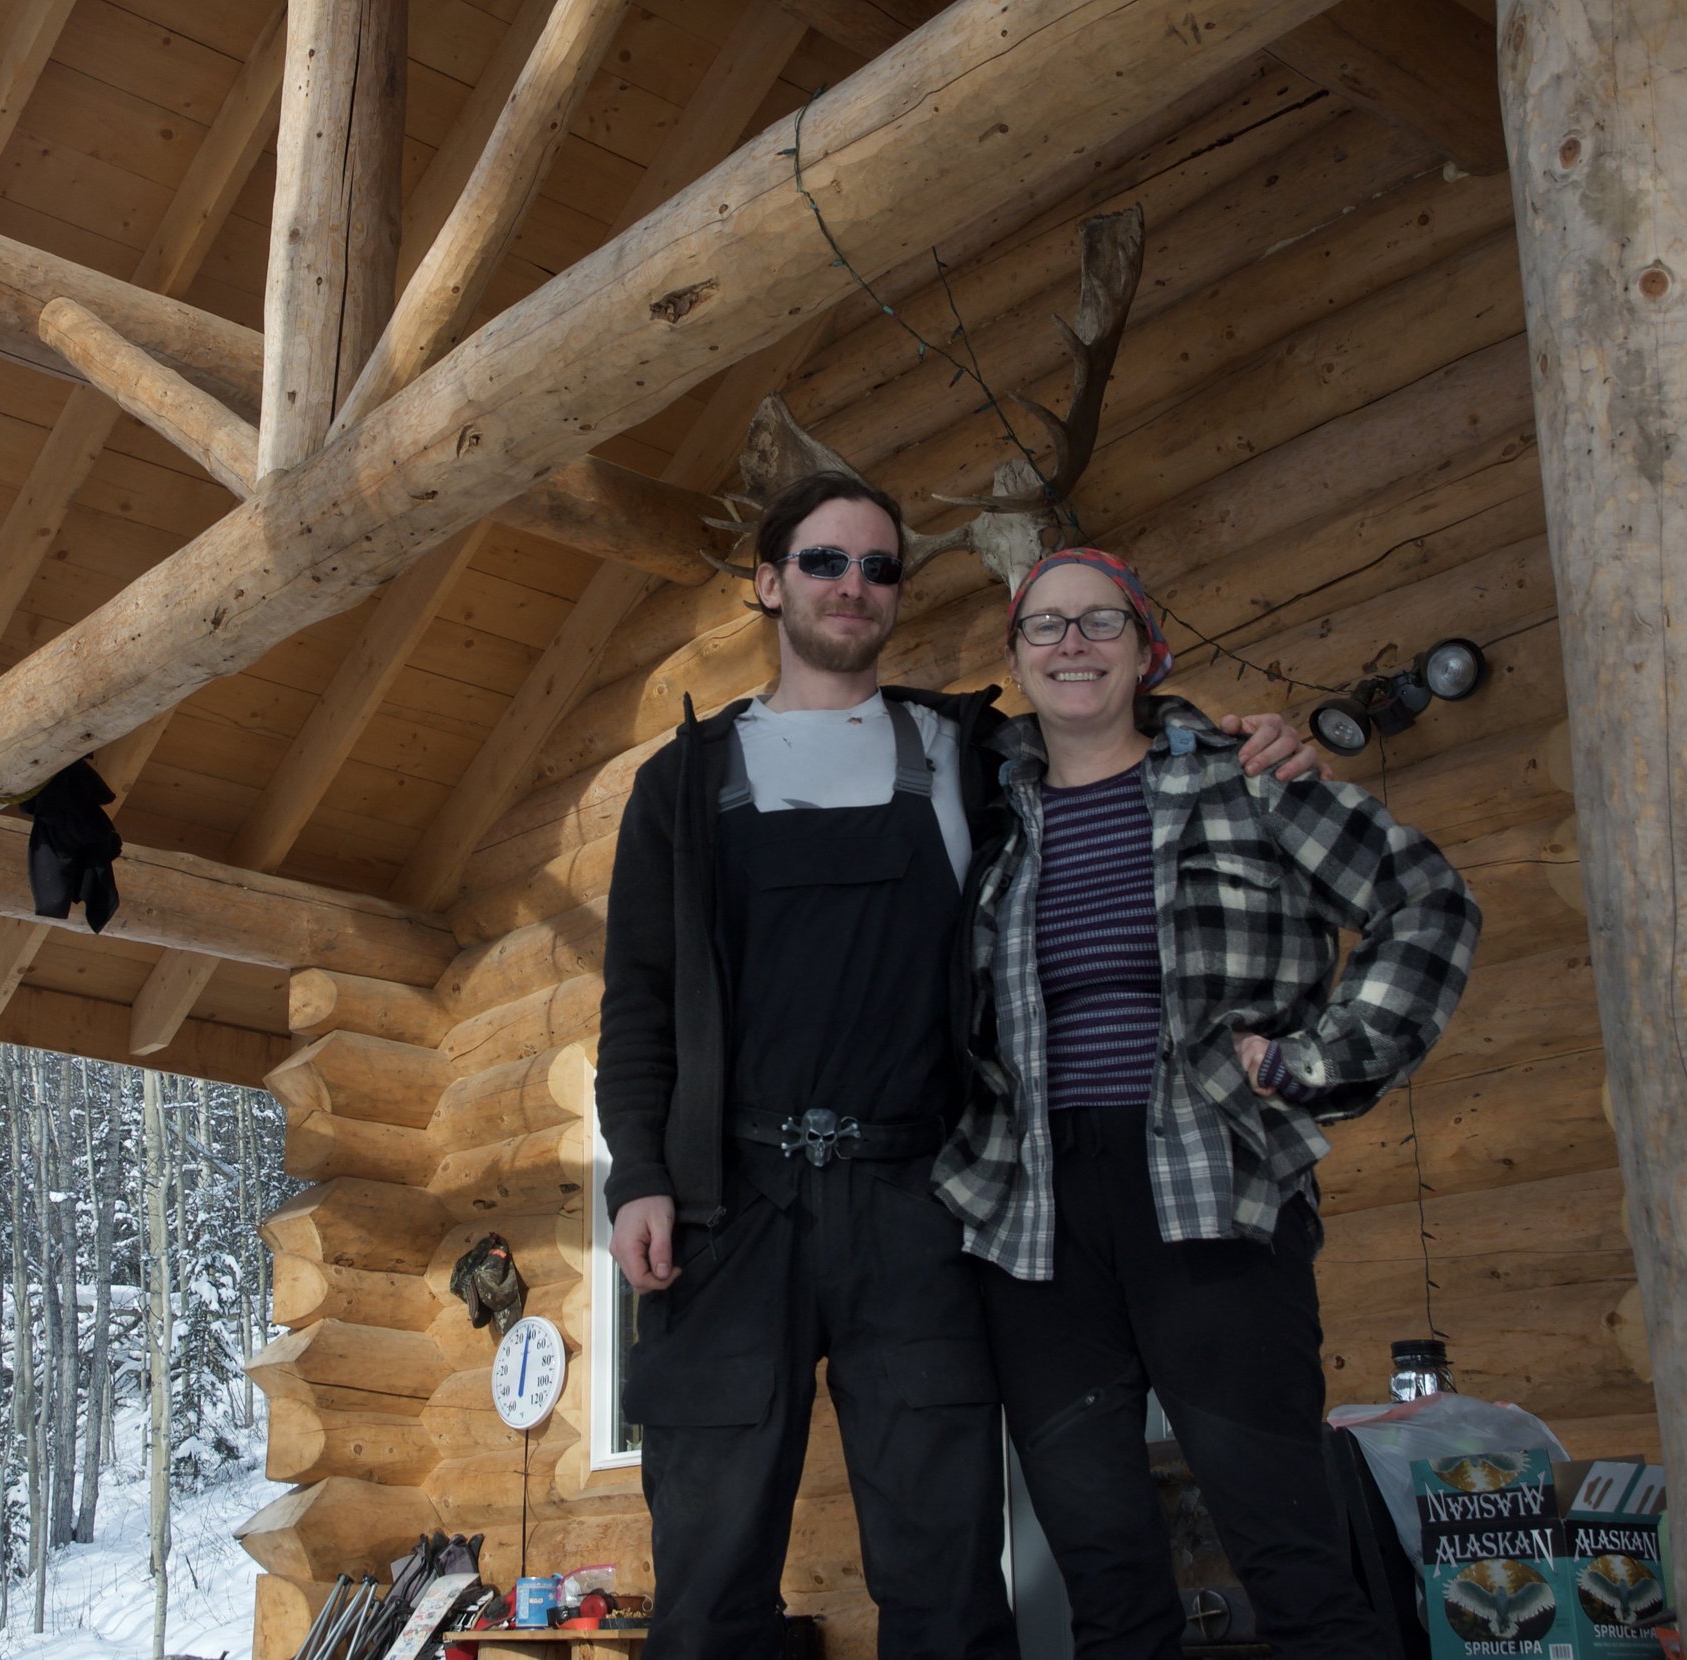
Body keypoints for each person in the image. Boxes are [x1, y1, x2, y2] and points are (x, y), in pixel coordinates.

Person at [594, 478, 1321, 1660]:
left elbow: (1104, 723)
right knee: (708, 1577)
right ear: (771, 583)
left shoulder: (967, 750)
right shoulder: (679, 781)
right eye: (826, 561)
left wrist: (1231, 734)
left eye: (881, 569)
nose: (854, 586)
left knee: (943, 1573)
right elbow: (637, 1004)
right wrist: (638, 1174)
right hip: (730, 1215)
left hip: (917, 1205)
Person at [936, 547, 1481, 1659]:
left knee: (1287, 1547)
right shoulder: (987, 820)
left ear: (1147, 652)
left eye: (1100, 623)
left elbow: (1425, 902)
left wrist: (1318, 1058)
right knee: (1102, 1573)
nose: (1072, 644)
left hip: (1213, 1187)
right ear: (1016, 658)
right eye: (1044, 627)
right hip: (1033, 1222)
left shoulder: (1249, 779)